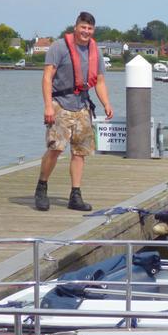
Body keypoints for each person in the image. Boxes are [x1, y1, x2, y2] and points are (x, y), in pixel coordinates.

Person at [34, 11, 113, 212]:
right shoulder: (59, 47)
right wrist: (48, 106)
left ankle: (75, 195)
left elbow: (100, 81)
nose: (86, 32)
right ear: (76, 27)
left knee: (80, 153)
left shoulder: (96, 51)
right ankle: (42, 187)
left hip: (83, 106)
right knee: (56, 148)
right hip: (60, 103)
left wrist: (106, 103)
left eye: (90, 28)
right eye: (83, 27)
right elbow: (46, 78)